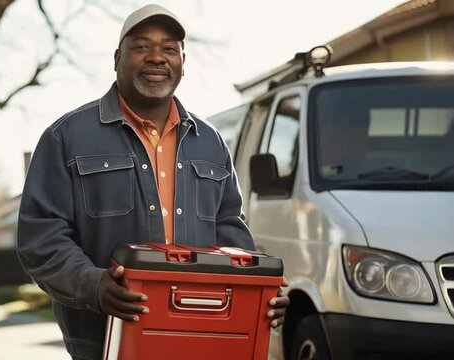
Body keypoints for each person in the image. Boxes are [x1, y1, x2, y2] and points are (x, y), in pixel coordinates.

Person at [17, 4, 289, 359]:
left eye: (170, 48)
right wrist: (94, 285)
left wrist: (259, 291)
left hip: (203, 338)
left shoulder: (210, 143)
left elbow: (230, 232)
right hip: (105, 343)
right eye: (142, 46)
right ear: (117, 57)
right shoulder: (65, 138)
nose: (157, 58)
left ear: (182, 61)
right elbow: (40, 237)